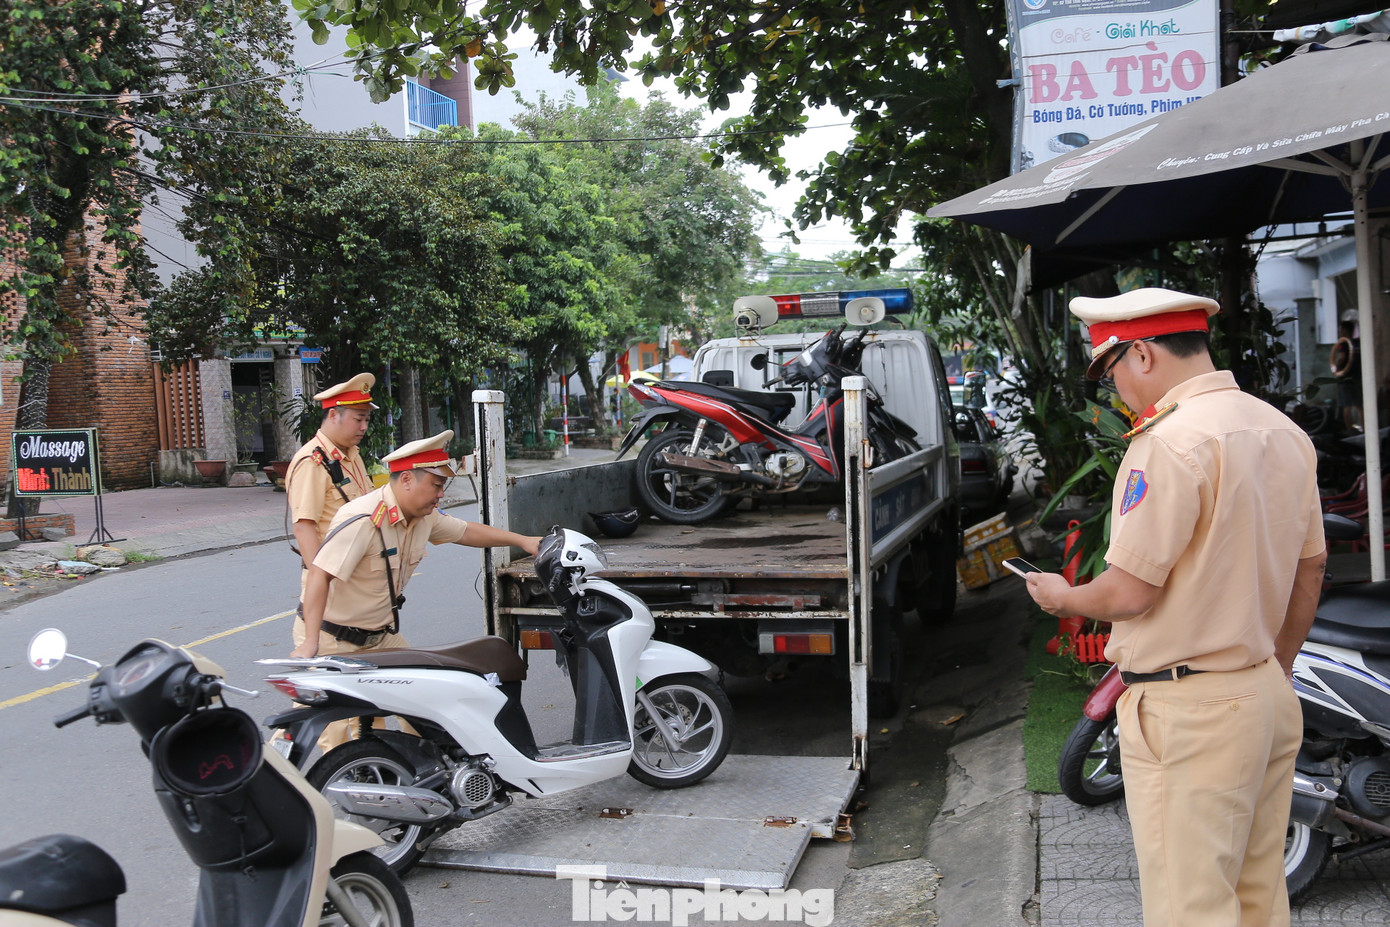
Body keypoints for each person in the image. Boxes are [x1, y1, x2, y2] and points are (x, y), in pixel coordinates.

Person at [1024, 288, 1326, 927]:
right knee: (1257, 895)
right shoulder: (1282, 430)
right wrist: (1272, 666)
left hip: (1189, 707)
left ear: (1140, 353)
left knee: (1190, 908)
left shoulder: (1168, 441)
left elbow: (1130, 591)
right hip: (1264, 693)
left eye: (1111, 374)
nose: (1116, 393)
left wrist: (1063, 596)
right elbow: (1311, 567)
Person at [291, 430, 542, 749]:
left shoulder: (423, 517)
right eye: (436, 485)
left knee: (426, 710)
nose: (441, 494)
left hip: (380, 638)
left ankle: (420, 784)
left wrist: (521, 541)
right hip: (332, 639)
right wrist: (311, 642)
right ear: (407, 480)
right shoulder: (364, 520)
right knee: (328, 734)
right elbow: (318, 577)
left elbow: (466, 531)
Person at [285, 372, 378, 573]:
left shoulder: (353, 454)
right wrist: (321, 583)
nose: (364, 427)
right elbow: (303, 527)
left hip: (359, 575)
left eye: (367, 420)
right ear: (334, 415)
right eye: (358, 419)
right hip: (333, 580)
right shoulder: (311, 462)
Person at [1331, 317, 1363, 432]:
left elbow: (1341, 358)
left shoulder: (1344, 344)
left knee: (1346, 406)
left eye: (1341, 329)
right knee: (1360, 405)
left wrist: (1337, 369)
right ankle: (1365, 429)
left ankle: (1350, 430)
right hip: (1358, 378)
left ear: (1344, 330)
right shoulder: (1358, 343)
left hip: (1345, 378)